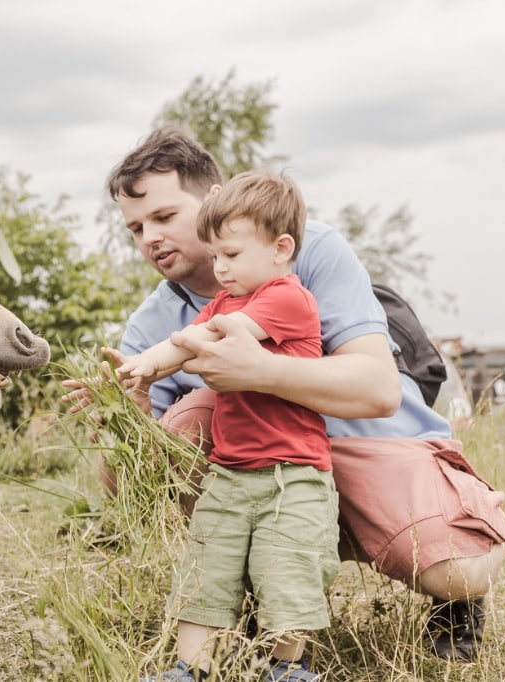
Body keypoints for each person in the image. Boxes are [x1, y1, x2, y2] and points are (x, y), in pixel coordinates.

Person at [62, 126, 505, 670]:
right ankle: (253, 596)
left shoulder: (306, 250)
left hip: (368, 443)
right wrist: (126, 415)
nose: (148, 238)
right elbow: (134, 487)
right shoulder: (151, 323)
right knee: (189, 423)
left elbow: (378, 390)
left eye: (163, 216)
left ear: (213, 201)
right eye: (135, 228)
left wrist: (264, 371)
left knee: (458, 573)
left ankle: (454, 598)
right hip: (259, 472)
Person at [115, 170, 338, 682]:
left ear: (281, 248)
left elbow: (214, 335)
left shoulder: (288, 298)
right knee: (205, 570)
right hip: (231, 471)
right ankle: (188, 668)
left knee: (286, 571)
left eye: (232, 256)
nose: (219, 268)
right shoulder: (225, 300)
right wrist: (142, 366)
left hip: (293, 473)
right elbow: (182, 339)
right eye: (214, 256)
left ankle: (288, 668)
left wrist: (175, 353)